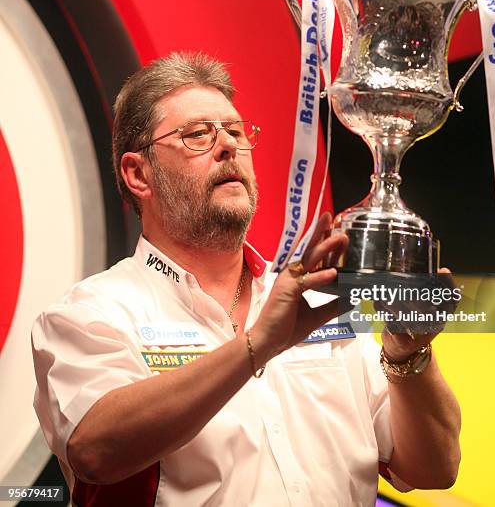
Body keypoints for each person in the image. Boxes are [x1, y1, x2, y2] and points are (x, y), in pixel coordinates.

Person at [32, 52, 461, 506]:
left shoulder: (317, 304)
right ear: (138, 174)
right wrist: (258, 345)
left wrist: (407, 353)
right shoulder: (89, 314)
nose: (228, 146)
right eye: (197, 134)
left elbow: (435, 468)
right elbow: (96, 451)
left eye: (235, 131)